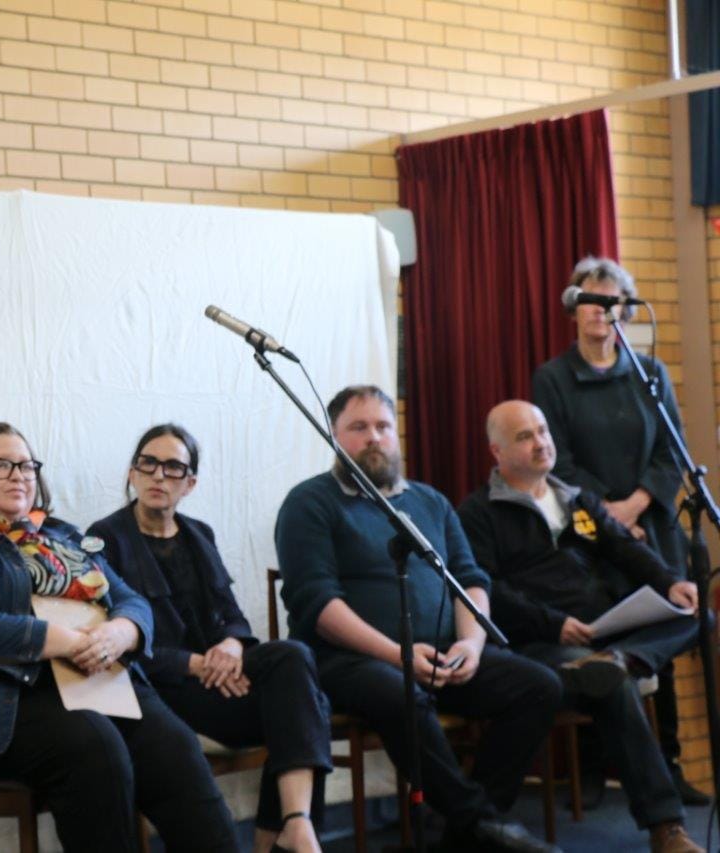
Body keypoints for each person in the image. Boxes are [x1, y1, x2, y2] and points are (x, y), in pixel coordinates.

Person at [0, 422, 238, 852]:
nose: (19, 475)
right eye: (1, 465)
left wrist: (120, 633)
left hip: (94, 681)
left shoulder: (61, 535)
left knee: (173, 745)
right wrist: (62, 640)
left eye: (27, 465)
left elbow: (132, 602)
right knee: (95, 747)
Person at [275, 385, 562, 853]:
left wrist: (471, 645)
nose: (374, 437)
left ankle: (463, 836)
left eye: (383, 427)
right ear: (332, 435)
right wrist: (398, 654)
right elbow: (316, 604)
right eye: (359, 427)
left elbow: (470, 580)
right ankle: (482, 825)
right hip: (346, 661)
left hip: (442, 652)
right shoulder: (309, 503)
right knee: (400, 692)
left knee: (539, 685)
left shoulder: (430, 502)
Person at [459, 400, 703, 853]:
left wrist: (671, 583)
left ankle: (626, 658)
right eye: (525, 436)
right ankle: (666, 827)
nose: (541, 443)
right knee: (611, 684)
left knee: (696, 612)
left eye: (543, 431)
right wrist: (554, 625)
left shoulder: (576, 498)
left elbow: (625, 549)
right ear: (496, 451)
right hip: (541, 646)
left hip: (609, 631)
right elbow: (484, 588)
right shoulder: (479, 513)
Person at [88, 424, 333, 853]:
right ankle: (280, 835)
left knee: (294, 660)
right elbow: (114, 641)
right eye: (148, 463)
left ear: (190, 483)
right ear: (132, 473)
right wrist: (197, 664)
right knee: (307, 707)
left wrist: (232, 647)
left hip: (217, 674)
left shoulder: (200, 532)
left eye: (173, 467)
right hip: (162, 689)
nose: (158, 475)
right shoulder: (106, 538)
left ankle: (294, 823)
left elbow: (232, 616)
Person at [533, 256, 707, 806]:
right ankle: (589, 771)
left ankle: (670, 765)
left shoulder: (650, 374)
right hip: (587, 529)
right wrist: (609, 517)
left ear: (625, 312)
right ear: (574, 310)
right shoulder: (553, 377)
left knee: (668, 630)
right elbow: (556, 461)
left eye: (608, 302)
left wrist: (633, 507)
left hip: (652, 526)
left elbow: (671, 450)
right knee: (599, 633)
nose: (597, 312)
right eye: (588, 300)